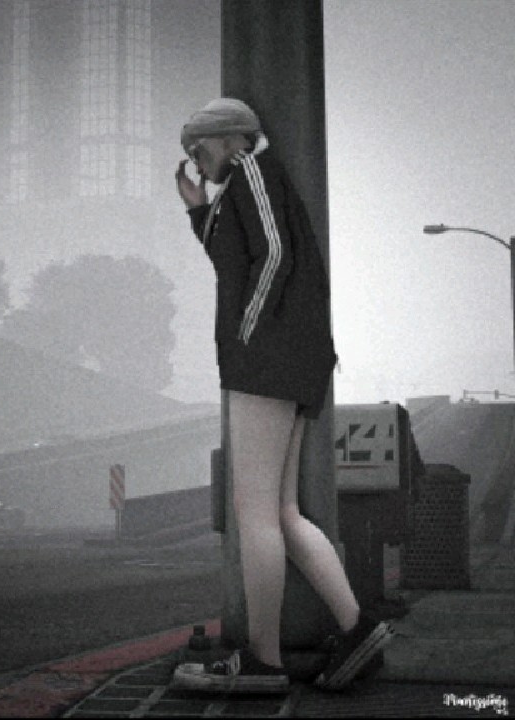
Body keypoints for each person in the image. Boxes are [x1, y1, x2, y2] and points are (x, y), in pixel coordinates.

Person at [171, 98, 393, 694]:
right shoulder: (242, 185)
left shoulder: (252, 170)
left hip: (268, 360)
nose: (195, 161)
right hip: (290, 358)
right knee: (283, 513)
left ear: (231, 139)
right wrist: (198, 211)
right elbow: (235, 259)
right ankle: (356, 629)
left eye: (198, 148)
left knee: (254, 515)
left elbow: (272, 252)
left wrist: (248, 335)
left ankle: (263, 662)